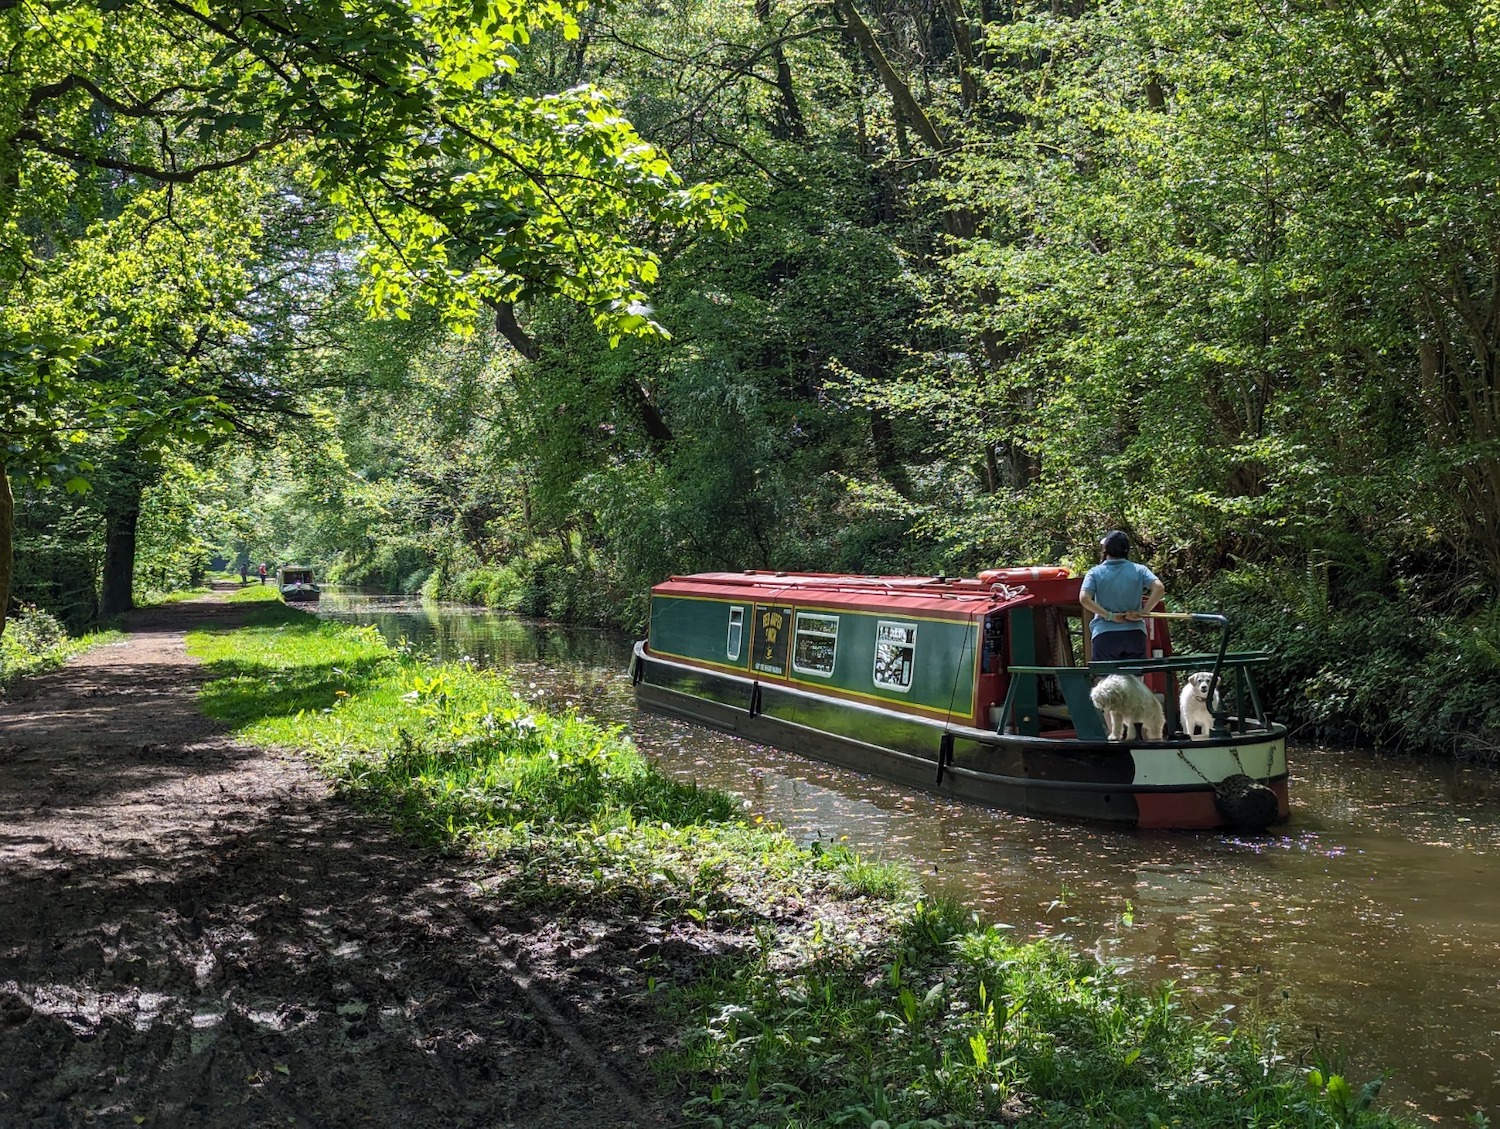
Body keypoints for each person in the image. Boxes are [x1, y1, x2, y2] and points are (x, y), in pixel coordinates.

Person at [1079, 530, 1165, 662]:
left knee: (1106, 681)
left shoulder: (1094, 573)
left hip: (1105, 634)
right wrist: (1142, 613)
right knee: (1135, 681)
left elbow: (1084, 598)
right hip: (1134, 633)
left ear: (1106, 549)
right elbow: (1159, 588)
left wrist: (1110, 616)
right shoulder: (1139, 570)